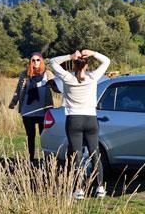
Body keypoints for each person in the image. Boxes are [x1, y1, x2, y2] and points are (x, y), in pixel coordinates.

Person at [50, 49, 110, 200]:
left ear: (74, 65)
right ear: (86, 65)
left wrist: (70, 56)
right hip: (90, 119)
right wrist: (93, 53)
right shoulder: (92, 77)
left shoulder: (67, 78)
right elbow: (107, 61)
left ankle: (79, 190)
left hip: (74, 119)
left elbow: (52, 62)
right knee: (94, 153)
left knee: (75, 155)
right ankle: (100, 188)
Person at [8, 52, 60, 162]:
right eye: (33, 60)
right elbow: (19, 90)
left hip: (44, 110)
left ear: (41, 61)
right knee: (30, 136)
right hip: (28, 111)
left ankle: (47, 160)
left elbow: (56, 89)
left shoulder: (48, 73)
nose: (36, 62)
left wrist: (59, 85)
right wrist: (13, 102)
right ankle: (31, 160)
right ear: (30, 62)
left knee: (44, 136)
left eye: (38, 60)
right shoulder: (24, 74)